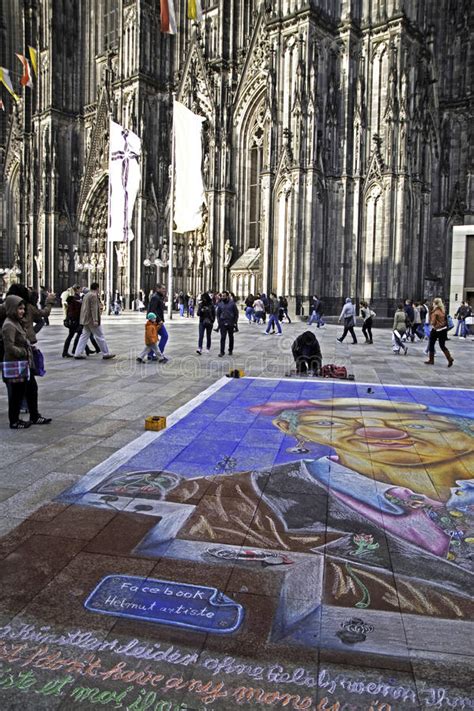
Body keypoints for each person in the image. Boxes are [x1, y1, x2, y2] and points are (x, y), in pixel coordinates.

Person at [2, 295, 51, 429]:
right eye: (19, 309)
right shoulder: (9, 325)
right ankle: (14, 421)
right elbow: (9, 347)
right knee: (17, 394)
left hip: (23, 363)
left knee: (30, 389)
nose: (22, 311)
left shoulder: (17, 322)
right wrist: (24, 351)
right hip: (16, 363)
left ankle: (33, 416)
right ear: (12, 308)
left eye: (23, 309)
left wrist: (28, 346)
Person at [73, 282, 115, 360]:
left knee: (84, 336)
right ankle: (106, 353)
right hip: (91, 320)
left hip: (85, 319)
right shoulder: (93, 295)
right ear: (97, 288)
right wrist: (95, 320)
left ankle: (78, 353)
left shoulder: (86, 295)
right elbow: (94, 308)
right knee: (100, 336)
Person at [425, 297, 453, 367]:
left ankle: (431, 360)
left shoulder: (435, 312)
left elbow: (432, 322)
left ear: (435, 303)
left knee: (431, 344)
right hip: (443, 329)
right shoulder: (442, 310)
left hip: (436, 329)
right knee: (442, 345)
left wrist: (430, 315)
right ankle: (449, 358)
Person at [147, 284, 169, 362]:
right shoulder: (155, 297)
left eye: (165, 289)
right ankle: (158, 354)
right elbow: (152, 310)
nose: (164, 290)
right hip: (155, 321)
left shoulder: (158, 297)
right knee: (165, 336)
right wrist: (159, 321)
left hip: (156, 321)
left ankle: (150, 355)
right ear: (158, 289)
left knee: (153, 339)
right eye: (163, 289)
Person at [216, 290, 238, 356]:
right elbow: (218, 313)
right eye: (222, 296)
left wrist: (235, 322)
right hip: (222, 322)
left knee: (231, 337)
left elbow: (236, 313)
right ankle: (222, 351)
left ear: (227, 296)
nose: (223, 297)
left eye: (224, 296)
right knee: (223, 337)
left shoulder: (232, 304)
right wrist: (219, 321)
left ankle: (230, 350)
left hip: (230, 322)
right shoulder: (220, 304)